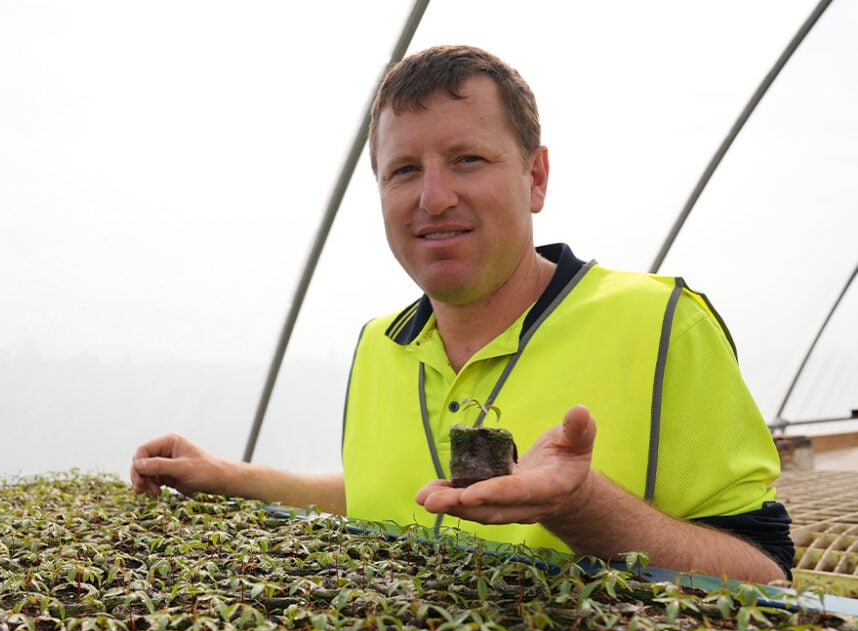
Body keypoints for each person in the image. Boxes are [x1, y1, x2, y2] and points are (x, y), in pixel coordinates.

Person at [131, 45, 794, 584]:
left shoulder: (662, 324)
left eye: (467, 160)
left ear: (535, 177)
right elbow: (378, 494)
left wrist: (582, 505)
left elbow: (766, 573)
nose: (435, 197)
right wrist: (226, 476)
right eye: (404, 170)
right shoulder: (378, 346)